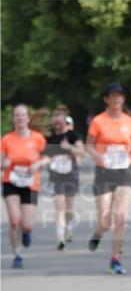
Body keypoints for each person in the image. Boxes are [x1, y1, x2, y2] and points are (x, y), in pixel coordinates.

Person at [86, 83, 131, 274]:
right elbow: (89, 145)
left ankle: (115, 259)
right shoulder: (98, 121)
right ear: (106, 99)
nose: (117, 99)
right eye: (113, 96)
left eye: (120, 96)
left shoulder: (130, 122)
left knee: (120, 217)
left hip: (124, 171)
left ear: (123, 99)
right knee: (105, 220)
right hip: (104, 172)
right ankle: (98, 233)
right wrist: (97, 156)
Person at [1, 104, 47, 269]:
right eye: (17, 115)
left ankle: (26, 232)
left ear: (28, 118)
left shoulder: (38, 138)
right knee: (14, 221)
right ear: (13, 119)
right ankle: (17, 254)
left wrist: (38, 163)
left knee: (26, 224)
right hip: (10, 181)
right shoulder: (6, 139)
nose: (20, 118)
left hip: (30, 183)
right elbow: (0, 161)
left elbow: (47, 158)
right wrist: (3, 164)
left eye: (23, 115)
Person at [45, 105, 84, 249]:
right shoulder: (49, 137)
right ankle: (60, 237)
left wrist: (70, 148)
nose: (57, 123)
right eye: (55, 120)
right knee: (59, 206)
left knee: (69, 209)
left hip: (71, 176)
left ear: (64, 121)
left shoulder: (73, 135)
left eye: (60, 120)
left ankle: (69, 228)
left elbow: (82, 151)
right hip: (55, 176)